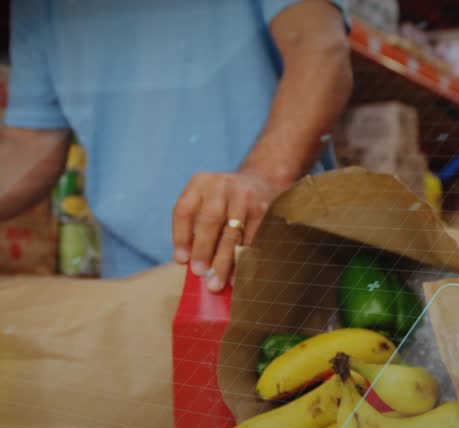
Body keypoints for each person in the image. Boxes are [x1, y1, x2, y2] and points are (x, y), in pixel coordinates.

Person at [0, 0, 353, 291]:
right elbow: (30, 141)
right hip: (132, 282)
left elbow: (319, 49)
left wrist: (263, 176)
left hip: (272, 264)